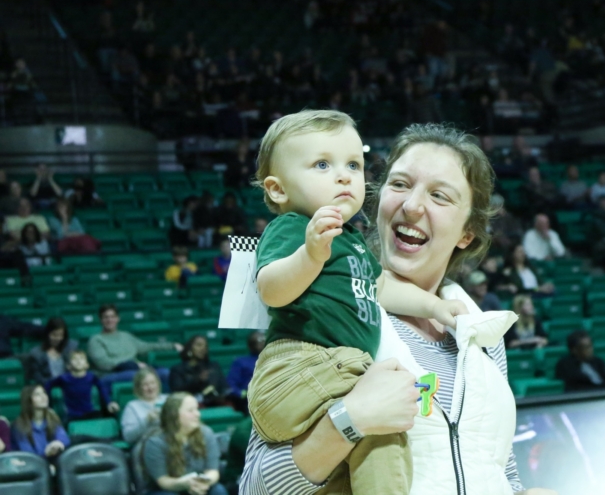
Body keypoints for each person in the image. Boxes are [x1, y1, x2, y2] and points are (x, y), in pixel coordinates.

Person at [241, 122, 547, 494]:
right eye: (400, 184)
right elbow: (254, 487)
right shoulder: (326, 305)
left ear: (467, 233)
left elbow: (499, 466)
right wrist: (349, 421)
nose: (412, 205)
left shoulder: (478, 330)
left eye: (439, 196)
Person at [142, 392, 226, 495]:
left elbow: (213, 471)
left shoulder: (206, 433)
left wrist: (204, 483)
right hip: (169, 489)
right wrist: (185, 484)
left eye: (197, 409)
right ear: (174, 415)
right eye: (190, 411)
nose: (198, 414)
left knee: (218, 490)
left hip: (200, 485)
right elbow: (163, 481)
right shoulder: (155, 442)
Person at [87, 304, 180, 390]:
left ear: (118, 318)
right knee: (139, 375)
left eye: (112, 317)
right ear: (101, 319)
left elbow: (147, 346)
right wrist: (132, 364)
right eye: (106, 317)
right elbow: (104, 364)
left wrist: (172, 345)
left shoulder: (126, 336)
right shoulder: (95, 340)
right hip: (110, 374)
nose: (109, 320)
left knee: (165, 373)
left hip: (134, 369)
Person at [44, 350, 119, 421]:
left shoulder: (91, 377)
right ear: (68, 366)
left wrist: (109, 403)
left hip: (89, 412)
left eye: (81, 359)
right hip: (71, 415)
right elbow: (48, 385)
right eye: (75, 359)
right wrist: (48, 407)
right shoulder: (64, 378)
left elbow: (102, 388)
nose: (78, 361)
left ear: (87, 365)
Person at [11, 385, 69, 459]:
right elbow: (27, 453)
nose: (43, 397)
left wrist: (58, 444)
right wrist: (46, 453)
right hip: (30, 464)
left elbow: (64, 439)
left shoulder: (53, 418)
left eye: (44, 393)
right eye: (37, 394)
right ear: (28, 400)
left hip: (52, 461)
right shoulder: (19, 425)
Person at [169, 336, 227, 408]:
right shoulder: (178, 369)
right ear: (190, 347)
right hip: (189, 405)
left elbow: (223, 386)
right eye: (199, 345)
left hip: (215, 404)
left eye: (205, 346)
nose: (203, 348)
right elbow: (177, 392)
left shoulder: (214, 366)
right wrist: (197, 380)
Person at [121, 368, 168, 445]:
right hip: (146, 444)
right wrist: (146, 421)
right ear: (138, 387)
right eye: (145, 385)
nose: (150, 387)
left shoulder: (168, 399)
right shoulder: (132, 406)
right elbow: (128, 437)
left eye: (153, 383)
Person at [28, 318, 78, 386]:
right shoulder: (37, 353)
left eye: (61, 335)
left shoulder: (71, 348)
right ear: (48, 334)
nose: (58, 338)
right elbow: (38, 377)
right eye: (54, 335)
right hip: (47, 386)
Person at [226, 331, 264, 414]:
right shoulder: (241, 362)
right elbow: (231, 384)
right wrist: (242, 394)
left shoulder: (274, 361)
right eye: (260, 340)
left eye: (264, 340)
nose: (263, 343)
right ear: (251, 345)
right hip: (249, 401)